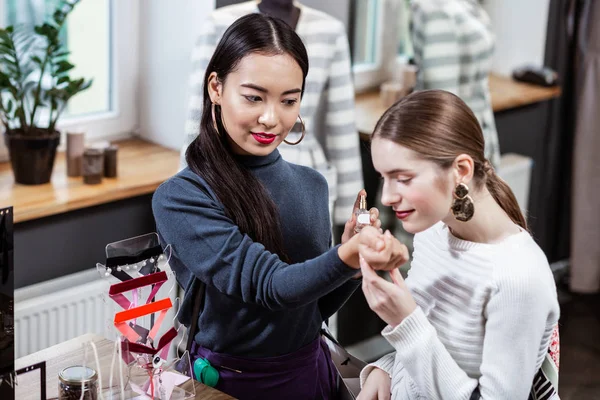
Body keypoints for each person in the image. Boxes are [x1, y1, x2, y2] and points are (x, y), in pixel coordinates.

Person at [152, 14, 407, 400]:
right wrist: (344, 255)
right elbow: (270, 287)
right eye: (253, 97)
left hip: (311, 377)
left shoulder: (311, 185)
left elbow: (312, 309)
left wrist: (355, 265)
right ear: (216, 88)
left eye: (289, 100)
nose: (272, 119)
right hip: (231, 385)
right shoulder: (182, 197)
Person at [357, 90, 560, 399]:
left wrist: (405, 322)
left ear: (461, 171)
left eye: (403, 178)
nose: (385, 197)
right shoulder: (432, 233)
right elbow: (439, 351)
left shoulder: (518, 278)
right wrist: (385, 368)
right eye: (384, 177)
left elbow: (421, 340)